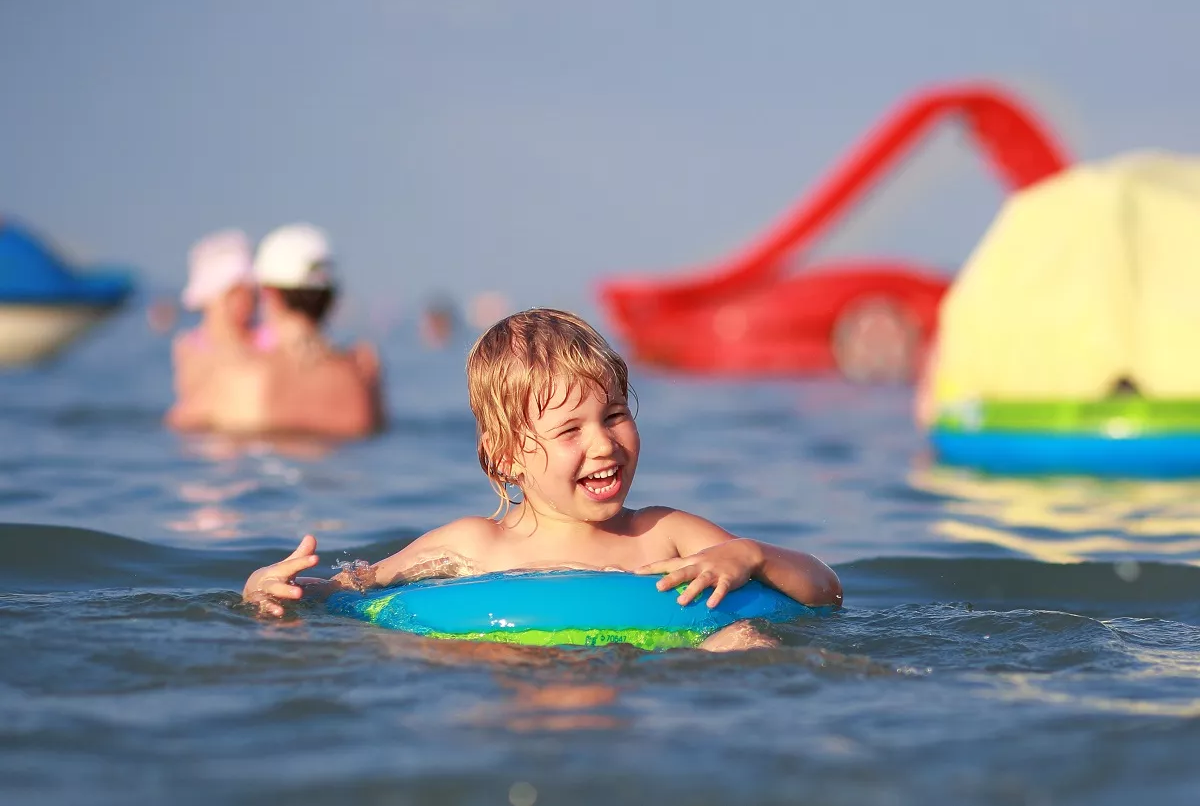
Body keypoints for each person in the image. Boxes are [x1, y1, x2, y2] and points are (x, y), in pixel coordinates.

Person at [241, 308, 842, 651]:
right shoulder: (474, 546)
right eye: (570, 431)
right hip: (519, 688)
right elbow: (356, 591)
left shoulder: (669, 535)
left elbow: (825, 590)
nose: (604, 443)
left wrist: (751, 555)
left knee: (740, 643)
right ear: (505, 457)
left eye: (614, 415)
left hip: (657, 699)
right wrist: (284, 591)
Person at [170, 223, 385, 438]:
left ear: (268, 294)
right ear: (332, 298)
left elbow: (180, 426)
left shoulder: (241, 380)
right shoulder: (365, 376)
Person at [166, 230, 260, 427]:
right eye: (233, 293)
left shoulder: (267, 340)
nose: (245, 301)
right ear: (210, 297)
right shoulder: (189, 347)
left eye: (250, 292)